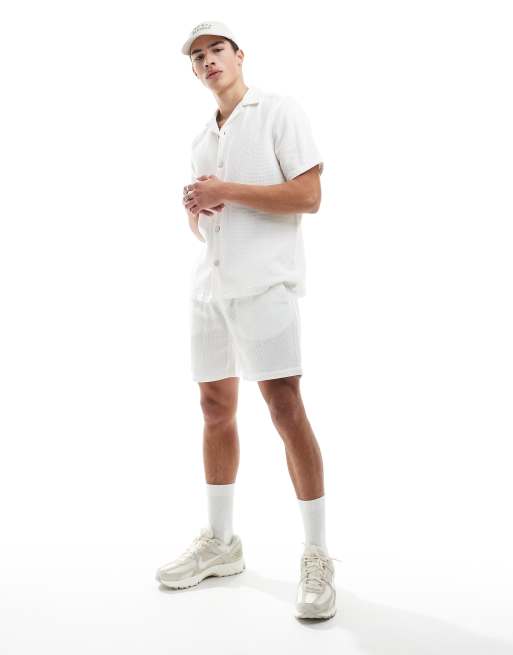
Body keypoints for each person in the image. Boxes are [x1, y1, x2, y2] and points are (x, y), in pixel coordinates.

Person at [155, 21, 340, 620]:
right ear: (193, 72)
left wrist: (227, 192)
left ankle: (317, 554)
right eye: (198, 57)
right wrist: (197, 209)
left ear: (239, 55)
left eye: (217, 50)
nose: (208, 60)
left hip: (265, 287)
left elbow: (309, 196)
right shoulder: (201, 140)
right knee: (214, 407)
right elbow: (209, 223)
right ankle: (221, 543)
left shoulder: (279, 111)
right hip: (210, 288)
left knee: (285, 409)